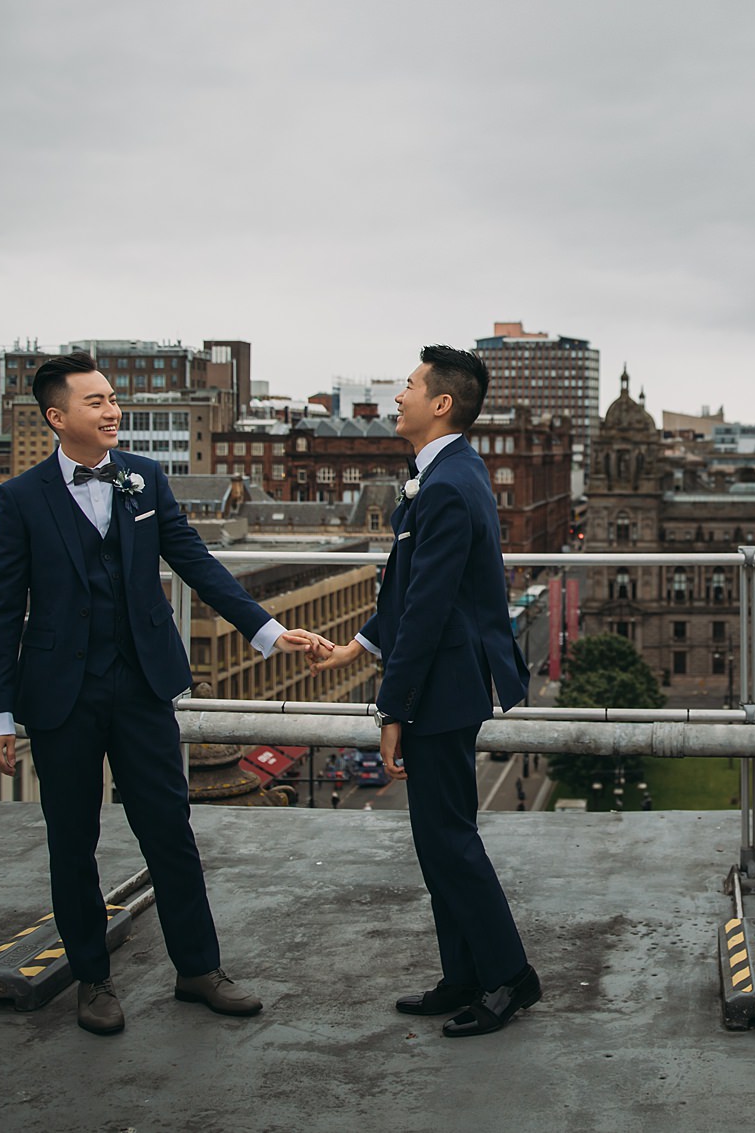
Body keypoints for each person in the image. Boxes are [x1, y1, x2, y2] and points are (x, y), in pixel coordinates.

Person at [0, 351, 322, 1036]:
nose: (113, 410)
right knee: (72, 840)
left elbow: (195, 560)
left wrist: (266, 628)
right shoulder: (21, 498)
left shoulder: (145, 477)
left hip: (142, 686)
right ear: (57, 417)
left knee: (170, 830)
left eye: (114, 399)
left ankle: (199, 968)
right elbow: (0, 610)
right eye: (96, 401)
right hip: (60, 697)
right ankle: (92, 981)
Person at [306, 345, 540, 1038]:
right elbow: (407, 587)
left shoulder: (443, 484)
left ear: (441, 403)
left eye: (408, 385)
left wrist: (391, 708)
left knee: (450, 840)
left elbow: (430, 609)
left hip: (445, 683)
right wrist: (359, 643)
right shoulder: (445, 474)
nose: (398, 395)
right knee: (438, 840)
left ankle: (509, 977)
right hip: (444, 678)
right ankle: (464, 973)